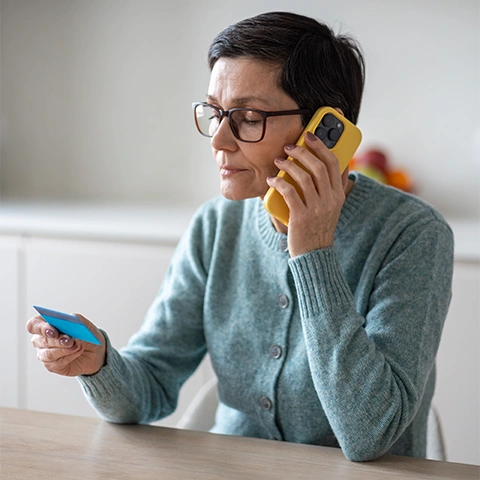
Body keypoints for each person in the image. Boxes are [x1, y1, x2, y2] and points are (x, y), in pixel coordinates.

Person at [27, 11, 454, 462]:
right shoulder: (214, 228)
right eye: (215, 113)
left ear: (324, 133)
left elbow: (370, 434)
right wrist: (98, 365)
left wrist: (311, 251)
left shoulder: (413, 236)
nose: (219, 140)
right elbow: (149, 385)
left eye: (248, 117)